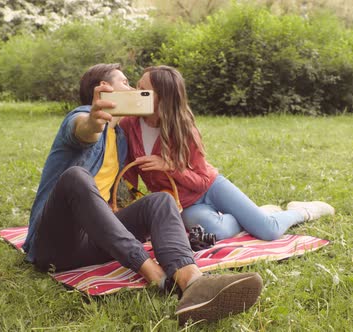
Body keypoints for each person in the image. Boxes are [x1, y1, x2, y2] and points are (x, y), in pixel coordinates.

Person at [22, 63, 264, 324]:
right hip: (55, 246)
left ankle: (192, 282)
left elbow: (125, 190)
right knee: (76, 177)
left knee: (160, 200)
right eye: (125, 83)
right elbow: (84, 130)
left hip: (97, 241)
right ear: (102, 92)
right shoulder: (79, 117)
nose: (135, 90)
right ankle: (154, 274)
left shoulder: (123, 136)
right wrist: (94, 121)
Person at [120, 65, 335, 242]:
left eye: (143, 90)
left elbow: (203, 180)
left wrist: (171, 167)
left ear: (163, 97)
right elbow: (129, 177)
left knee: (269, 231)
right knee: (217, 233)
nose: (135, 93)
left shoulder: (184, 130)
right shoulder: (129, 125)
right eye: (137, 87)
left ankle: (303, 211)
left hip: (210, 188)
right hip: (182, 204)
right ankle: (256, 214)